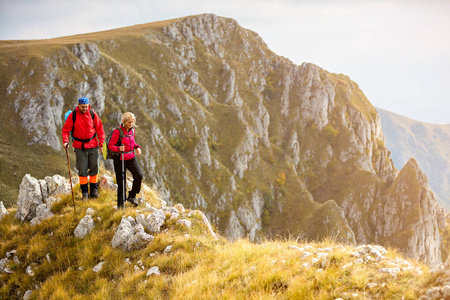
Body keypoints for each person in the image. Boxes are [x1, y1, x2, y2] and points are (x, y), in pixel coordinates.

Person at [62, 97, 105, 200]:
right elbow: (66, 130)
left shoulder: (92, 114)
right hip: (79, 146)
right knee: (82, 169)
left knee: (94, 167)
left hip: (93, 144)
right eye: (83, 107)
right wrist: (65, 141)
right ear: (78, 105)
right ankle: (85, 193)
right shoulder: (73, 115)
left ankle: (94, 191)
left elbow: (100, 129)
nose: (85, 108)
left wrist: (101, 144)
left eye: (86, 106)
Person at [108, 112, 143, 208]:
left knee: (139, 175)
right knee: (121, 182)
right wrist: (118, 149)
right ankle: (120, 205)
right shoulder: (118, 132)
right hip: (120, 159)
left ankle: (132, 196)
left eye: (132, 122)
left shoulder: (132, 131)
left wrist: (137, 147)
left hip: (131, 157)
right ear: (124, 122)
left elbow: (132, 143)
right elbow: (110, 146)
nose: (131, 124)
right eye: (129, 122)